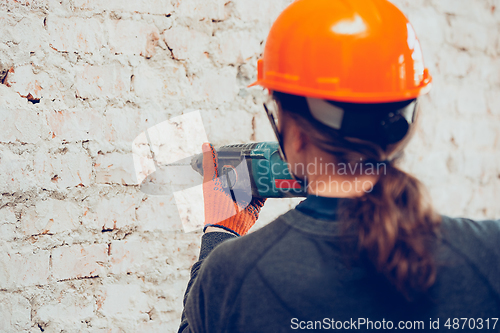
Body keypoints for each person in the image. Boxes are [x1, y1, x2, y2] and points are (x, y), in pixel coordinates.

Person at [178, 0, 500, 332]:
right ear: (405, 124)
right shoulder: (490, 252)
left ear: (296, 133)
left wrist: (220, 233)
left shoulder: (231, 277)